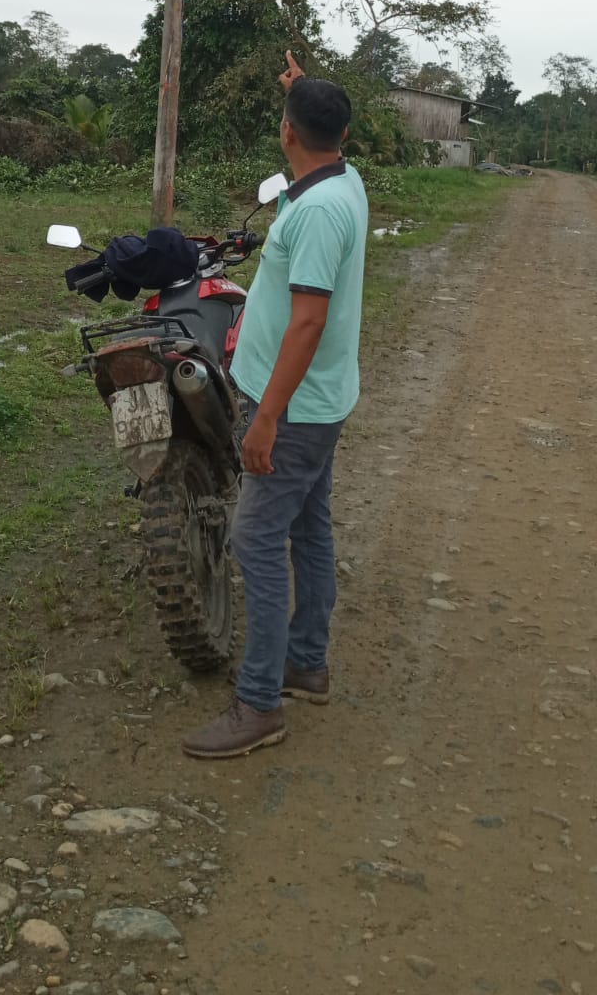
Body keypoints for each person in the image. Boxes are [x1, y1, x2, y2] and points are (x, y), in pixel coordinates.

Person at [182, 53, 368, 759]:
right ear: (340, 134)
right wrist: (300, 89)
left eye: (288, 115)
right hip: (320, 399)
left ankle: (259, 702)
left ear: (289, 133)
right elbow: (318, 129)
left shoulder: (316, 211)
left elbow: (308, 321)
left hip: (294, 408)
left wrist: (265, 418)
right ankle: (306, 662)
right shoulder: (341, 177)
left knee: (256, 538)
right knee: (309, 527)